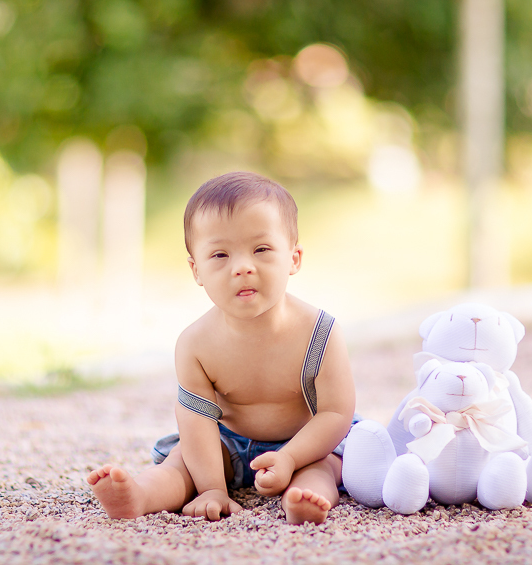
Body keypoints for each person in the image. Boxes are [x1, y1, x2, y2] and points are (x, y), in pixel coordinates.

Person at [86, 172, 356, 524]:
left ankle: (302, 500)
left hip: (306, 441)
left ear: (293, 258)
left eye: (261, 249)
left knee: (324, 467)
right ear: (197, 270)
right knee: (180, 462)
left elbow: (336, 413)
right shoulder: (195, 344)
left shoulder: (319, 332)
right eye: (220, 255)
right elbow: (197, 421)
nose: (242, 267)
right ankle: (141, 494)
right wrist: (211, 486)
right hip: (224, 446)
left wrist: (289, 458)